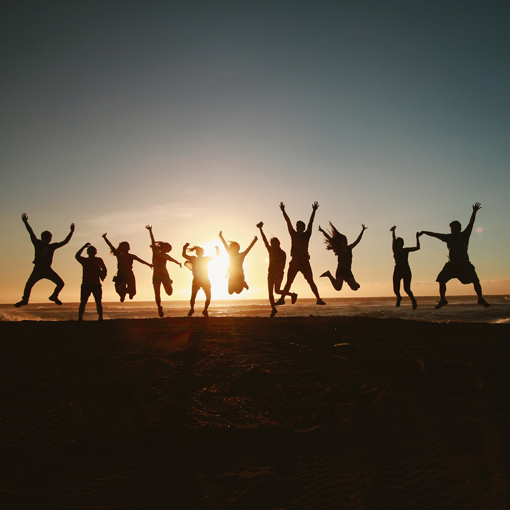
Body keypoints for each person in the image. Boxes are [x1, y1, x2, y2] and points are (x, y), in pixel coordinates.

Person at [420, 202, 490, 309]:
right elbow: (436, 235)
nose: (452, 230)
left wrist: (474, 212)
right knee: (441, 280)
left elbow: (471, 223)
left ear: (458, 228)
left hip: (464, 264)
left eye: (453, 228)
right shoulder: (448, 237)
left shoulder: (464, 235)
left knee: (475, 280)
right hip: (452, 265)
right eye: (451, 228)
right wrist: (425, 232)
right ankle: (443, 299)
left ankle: (480, 298)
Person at [15, 213, 75, 307]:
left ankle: (54, 296)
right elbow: (31, 233)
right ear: (43, 237)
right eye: (47, 237)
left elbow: (65, 242)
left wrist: (71, 232)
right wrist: (26, 222)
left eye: (50, 238)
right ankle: (25, 300)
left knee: (60, 283)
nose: (49, 239)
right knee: (29, 285)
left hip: (47, 269)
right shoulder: (37, 243)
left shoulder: (52, 246)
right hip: (38, 269)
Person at [276, 202, 326, 306]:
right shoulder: (293, 234)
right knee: (289, 282)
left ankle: (318, 299)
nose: (299, 228)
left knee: (310, 281)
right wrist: (283, 211)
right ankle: (282, 299)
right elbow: (288, 222)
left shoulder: (306, 235)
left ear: (303, 228)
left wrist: (313, 211)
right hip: (294, 261)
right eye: (298, 226)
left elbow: (310, 223)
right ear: (297, 227)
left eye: (301, 226)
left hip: (304, 262)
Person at [256, 221, 297, 317]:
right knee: (271, 292)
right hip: (270, 273)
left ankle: (292, 295)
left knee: (277, 291)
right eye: (273, 243)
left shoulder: (283, 253)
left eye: (276, 243)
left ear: (279, 243)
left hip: (279, 274)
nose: (275, 244)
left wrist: (279, 273)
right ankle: (273, 309)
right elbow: (264, 240)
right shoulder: (270, 250)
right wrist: (260, 229)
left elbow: (283, 265)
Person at [102, 233, 152, 302]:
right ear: (122, 248)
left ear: (129, 248)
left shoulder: (131, 256)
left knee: (132, 291)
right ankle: (123, 294)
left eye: (126, 247)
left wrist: (149, 264)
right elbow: (110, 246)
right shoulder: (119, 255)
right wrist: (105, 238)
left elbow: (140, 260)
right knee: (119, 289)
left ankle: (129, 293)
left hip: (129, 274)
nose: (125, 248)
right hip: (121, 274)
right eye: (124, 247)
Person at [318, 222, 367, 292]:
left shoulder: (349, 248)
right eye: (344, 241)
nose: (345, 242)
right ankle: (328, 274)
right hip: (341, 270)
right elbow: (329, 238)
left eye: (346, 240)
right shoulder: (339, 250)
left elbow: (357, 240)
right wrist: (322, 231)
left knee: (355, 288)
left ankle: (350, 282)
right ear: (340, 242)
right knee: (338, 288)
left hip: (348, 271)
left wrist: (362, 230)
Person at [146, 225, 182, 317]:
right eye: (167, 248)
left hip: (165, 275)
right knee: (157, 293)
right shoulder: (155, 252)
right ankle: (159, 307)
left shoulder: (166, 256)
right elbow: (153, 241)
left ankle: (169, 282)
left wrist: (178, 263)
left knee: (169, 293)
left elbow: (172, 259)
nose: (167, 251)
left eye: (168, 250)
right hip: (156, 276)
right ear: (163, 247)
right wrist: (150, 231)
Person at [182, 243, 219, 317]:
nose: (201, 253)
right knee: (194, 296)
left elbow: (216, 256)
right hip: (198, 280)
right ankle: (193, 309)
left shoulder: (204, 258)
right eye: (199, 252)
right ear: (197, 253)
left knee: (208, 296)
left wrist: (217, 250)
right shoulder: (194, 258)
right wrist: (184, 247)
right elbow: (184, 255)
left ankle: (204, 310)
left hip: (204, 279)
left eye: (201, 252)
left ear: (202, 253)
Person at [390, 226, 421, 309]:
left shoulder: (405, 250)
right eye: (398, 244)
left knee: (406, 289)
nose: (399, 245)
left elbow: (417, 248)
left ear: (402, 244)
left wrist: (417, 238)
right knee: (396, 289)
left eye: (400, 243)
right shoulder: (395, 249)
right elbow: (393, 240)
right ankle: (399, 297)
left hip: (406, 270)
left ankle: (413, 301)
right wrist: (393, 231)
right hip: (398, 269)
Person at [75, 243, 107, 321]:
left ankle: (100, 317)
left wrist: (103, 275)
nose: (92, 253)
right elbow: (77, 256)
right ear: (88, 253)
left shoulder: (99, 260)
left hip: (95, 283)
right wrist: (83, 247)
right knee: (83, 302)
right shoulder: (85, 260)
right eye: (90, 251)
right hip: (87, 283)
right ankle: (80, 318)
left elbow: (105, 269)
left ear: (95, 252)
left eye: (93, 251)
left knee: (98, 301)